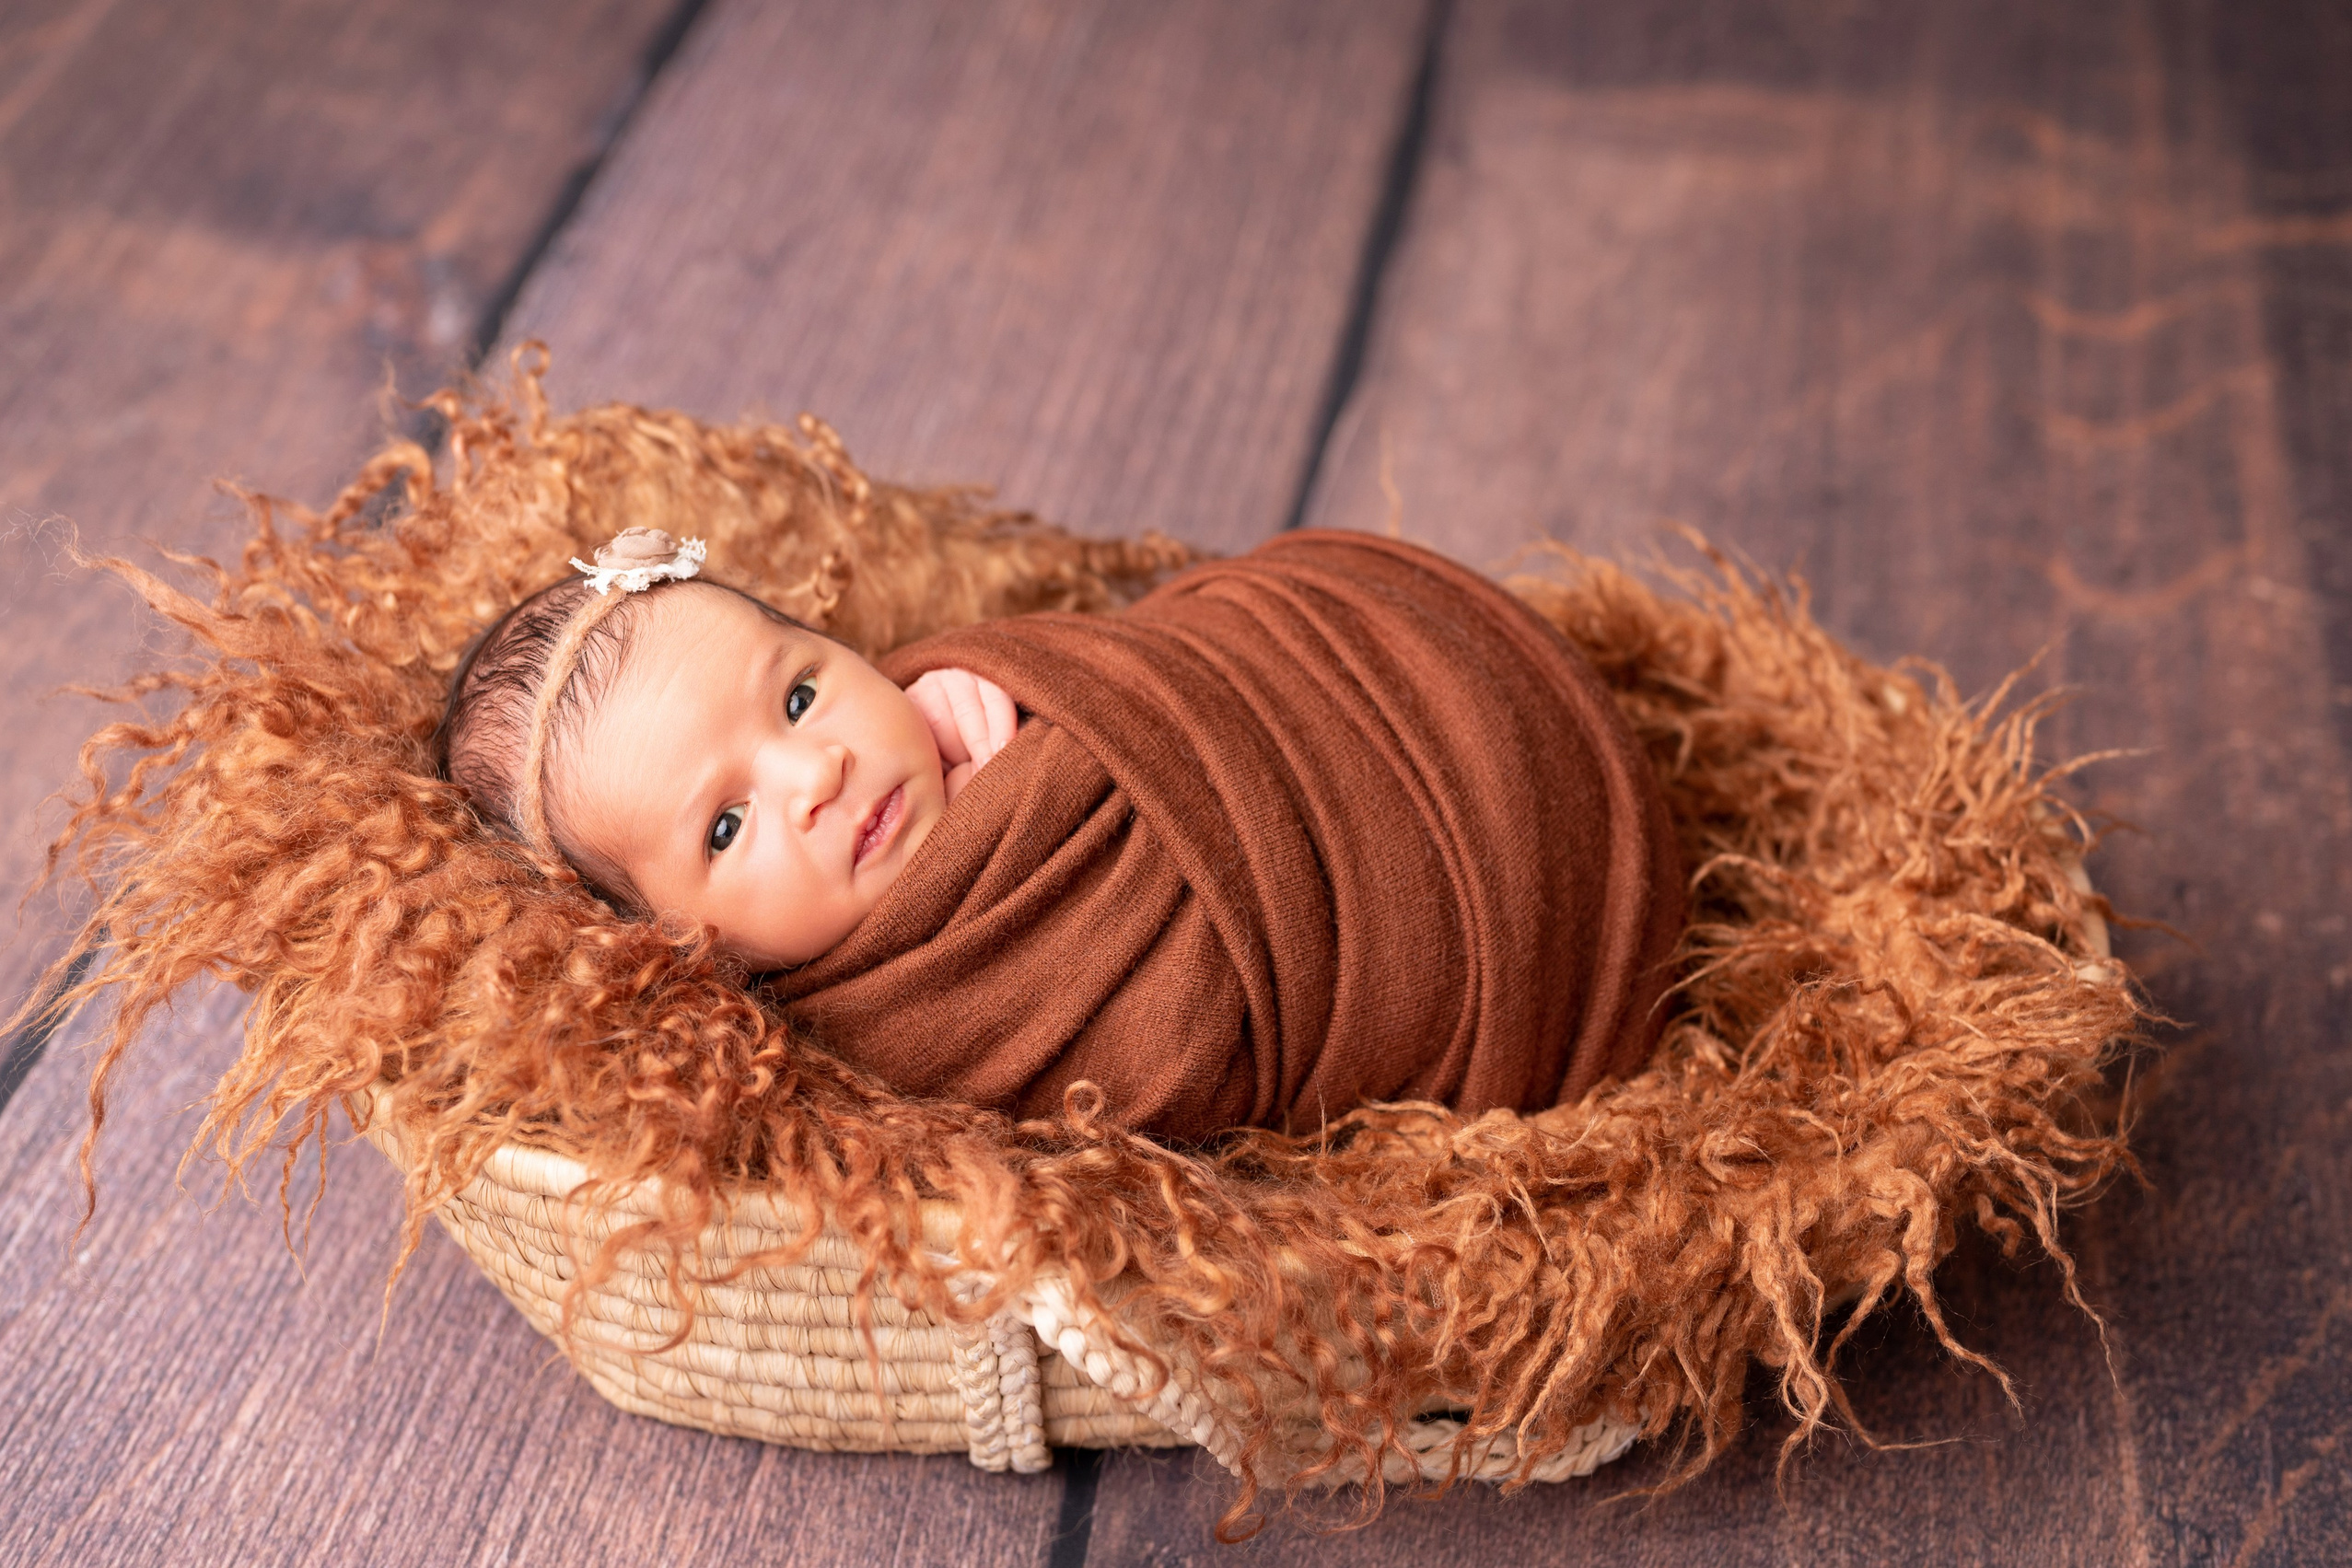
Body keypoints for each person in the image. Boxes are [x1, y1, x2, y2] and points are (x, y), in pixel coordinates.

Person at [437, 524, 1685, 1143]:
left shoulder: (951, 703)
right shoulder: (836, 1053)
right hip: (1458, 926)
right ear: (668, 946)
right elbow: (1141, 1091)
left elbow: (1160, 676)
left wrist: (1027, 702)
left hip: (1383, 690)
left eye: (802, 691)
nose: (814, 772)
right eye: (724, 822)